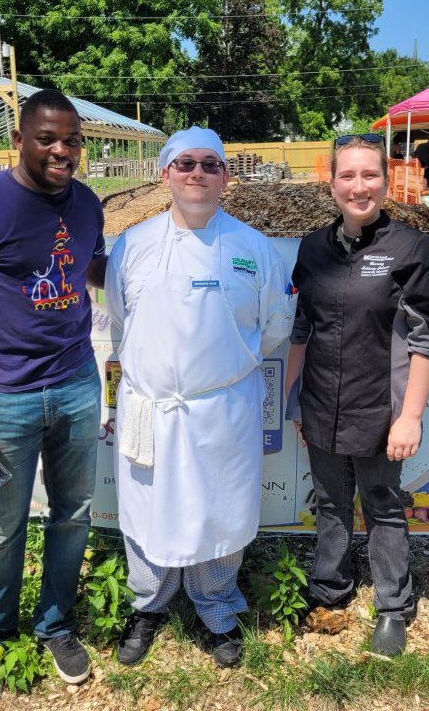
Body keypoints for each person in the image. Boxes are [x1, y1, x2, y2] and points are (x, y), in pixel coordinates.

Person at [0, 89, 106, 707]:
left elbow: (94, 272)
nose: (62, 151)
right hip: (6, 395)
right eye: (47, 139)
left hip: (78, 385)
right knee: (1, 527)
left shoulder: (88, 205)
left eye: (72, 140)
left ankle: (56, 624)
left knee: (73, 512)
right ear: (20, 139)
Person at [105, 126, 295, 669]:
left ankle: (216, 607)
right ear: (165, 174)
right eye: (184, 163)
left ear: (226, 177)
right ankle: (148, 605)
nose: (197, 173)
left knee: (221, 510)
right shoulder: (134, 245)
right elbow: (123, 317)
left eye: (210, 164)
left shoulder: (253, 248)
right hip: (153, 408)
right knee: (146, 510)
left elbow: (275, 326)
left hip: (223, 410)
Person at [285, 135, 429, 657]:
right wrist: (296, 400)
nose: (359, 187)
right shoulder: (312, 249)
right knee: (331, 504)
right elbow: (302, 329)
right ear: (330, 182)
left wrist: (411, 417)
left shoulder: (411, 249)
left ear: (386, 179)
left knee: (381, 506)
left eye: (370, 175)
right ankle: (329, 590)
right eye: (347, 176)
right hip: (320, 405)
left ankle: (392, 607)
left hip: (382, 409)